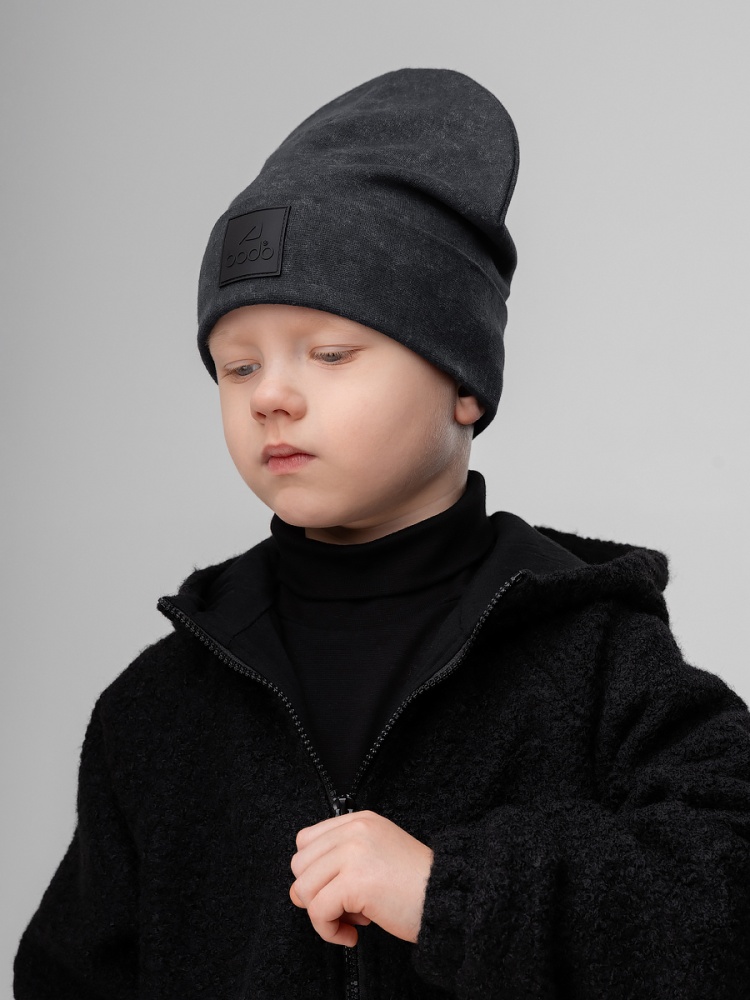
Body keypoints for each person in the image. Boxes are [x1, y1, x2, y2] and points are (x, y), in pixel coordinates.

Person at [13, 67, 750, 1000]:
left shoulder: (598, 658)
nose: (272, 396)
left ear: (464, 383)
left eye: (330, 353)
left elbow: (728, 885)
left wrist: (455, 894)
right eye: (237, 367)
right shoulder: (156, 710)